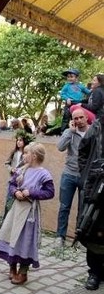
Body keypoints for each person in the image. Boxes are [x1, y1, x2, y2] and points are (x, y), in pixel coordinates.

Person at [0, 143, 55, 285]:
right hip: (16, 209)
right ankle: (11, 267)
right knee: (10, 235)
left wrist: (32, 192)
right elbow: (11, 184)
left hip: (29, 213)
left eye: (26, 153)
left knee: (25, 240)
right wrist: (15, 191)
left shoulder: (43, 174)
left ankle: (23, 272)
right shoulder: (22, 170)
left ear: (34, 156)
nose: (23, 155)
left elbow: (50, 192)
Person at [54, 107, 90, 250]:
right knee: (64, 207)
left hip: (86, 176)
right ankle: (60, 237)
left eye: (81, 117)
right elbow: (60, 147)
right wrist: (70, 131)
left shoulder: (93, 131)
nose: (79, 120)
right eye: (75, 118)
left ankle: (79, 239)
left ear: (86, 118)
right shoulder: (70, 132)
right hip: (69, 174)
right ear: (72, 120)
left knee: (83, 208)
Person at [76, 110, 104, 290]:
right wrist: (87, 173)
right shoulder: (98, 125)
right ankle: (94, 272)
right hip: (98, 185)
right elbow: (83, 149)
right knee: (93, 228)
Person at [0, 131, 34, 225]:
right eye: (17, 140)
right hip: (13, 180)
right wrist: (11, 169)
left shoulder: (26, 154)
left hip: (22, 181)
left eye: (21, 140)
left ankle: (15, 222)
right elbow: (7, 163)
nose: (18, 142)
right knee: (8, 201)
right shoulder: (14, 152)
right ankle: (4, 221)